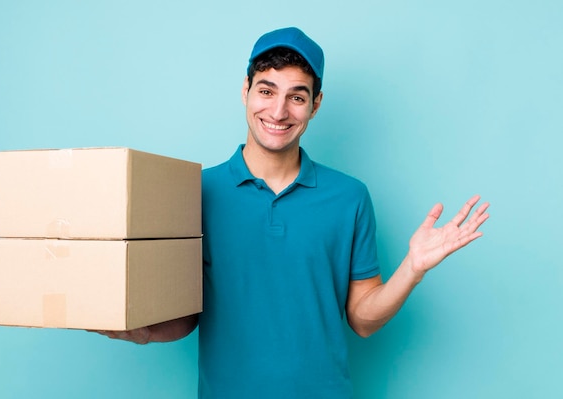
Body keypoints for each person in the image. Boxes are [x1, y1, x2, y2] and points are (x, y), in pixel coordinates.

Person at [97, 27, 490, 398]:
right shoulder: (194, 191)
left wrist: (412, 269)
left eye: (297, 97)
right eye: (266, 90)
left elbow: (363, 320)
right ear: (245, 91)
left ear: (315, 105)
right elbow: (186, 315)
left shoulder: (349, 197)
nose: (279, 110)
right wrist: (144, 330)